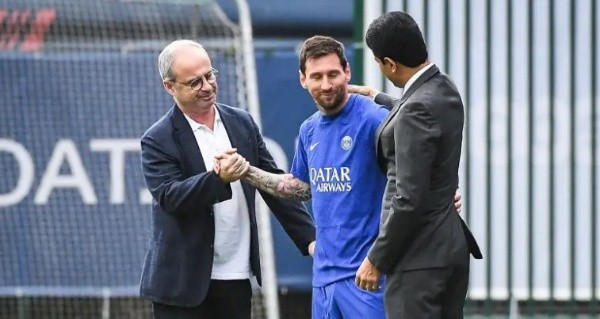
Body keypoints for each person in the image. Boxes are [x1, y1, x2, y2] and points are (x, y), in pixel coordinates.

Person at [216, 35, 463, 319]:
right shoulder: (309, 130)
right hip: (323, 280)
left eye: (333, 74)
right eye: (316, 76)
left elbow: (416, 167)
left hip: (368, 277)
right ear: (302, 79)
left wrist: (440, 198)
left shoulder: (375, 119)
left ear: (347, 71)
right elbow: (300, 187)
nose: (326, 84)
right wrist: (246, 171)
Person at [139, 39, 316, 319]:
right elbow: (170, 197)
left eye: (209, 75)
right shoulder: (157, 139)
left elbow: (272, 184)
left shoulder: (241, 122)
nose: (207, 86)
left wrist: (311, 240)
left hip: (235, 277)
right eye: (194, 82)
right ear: (169, 87)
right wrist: (218, 178)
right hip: (181, 286)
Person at [352, 11, 483, 319]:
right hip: (450, 250)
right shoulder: (445, 89)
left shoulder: (415, 110)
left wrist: (377, 259)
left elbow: (409, 198)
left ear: (390, 64)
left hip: (418, 259)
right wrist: (378, 97)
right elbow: (415, 110)